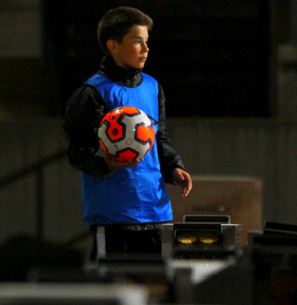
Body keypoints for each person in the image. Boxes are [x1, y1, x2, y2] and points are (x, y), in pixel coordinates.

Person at [63, 6, 192, 260]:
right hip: (114, 217)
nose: (146, 49)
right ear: (113, 45)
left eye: (146, 42)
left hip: (157, 212)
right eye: (137, 42)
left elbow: (159, 139)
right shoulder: (92, 93)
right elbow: (76, 150)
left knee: (160, 292)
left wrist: (174, 168)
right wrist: (105, 162)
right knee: (113, 293)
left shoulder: (153, 87)